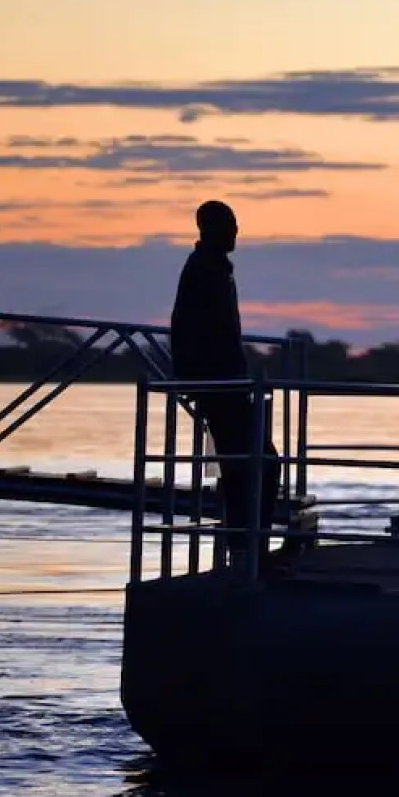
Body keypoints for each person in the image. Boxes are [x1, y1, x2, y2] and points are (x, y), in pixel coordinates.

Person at [169, 200, 280, 571]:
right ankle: (250, 551)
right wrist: (196, 377)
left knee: (250, 465)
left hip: (227, 382)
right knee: (256, 464)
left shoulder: (215, 269)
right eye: (230, 225)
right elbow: (186, 326)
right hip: (220, 385)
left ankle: (249, 548)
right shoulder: (204, 269)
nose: (237, 232)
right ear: (210, 229)